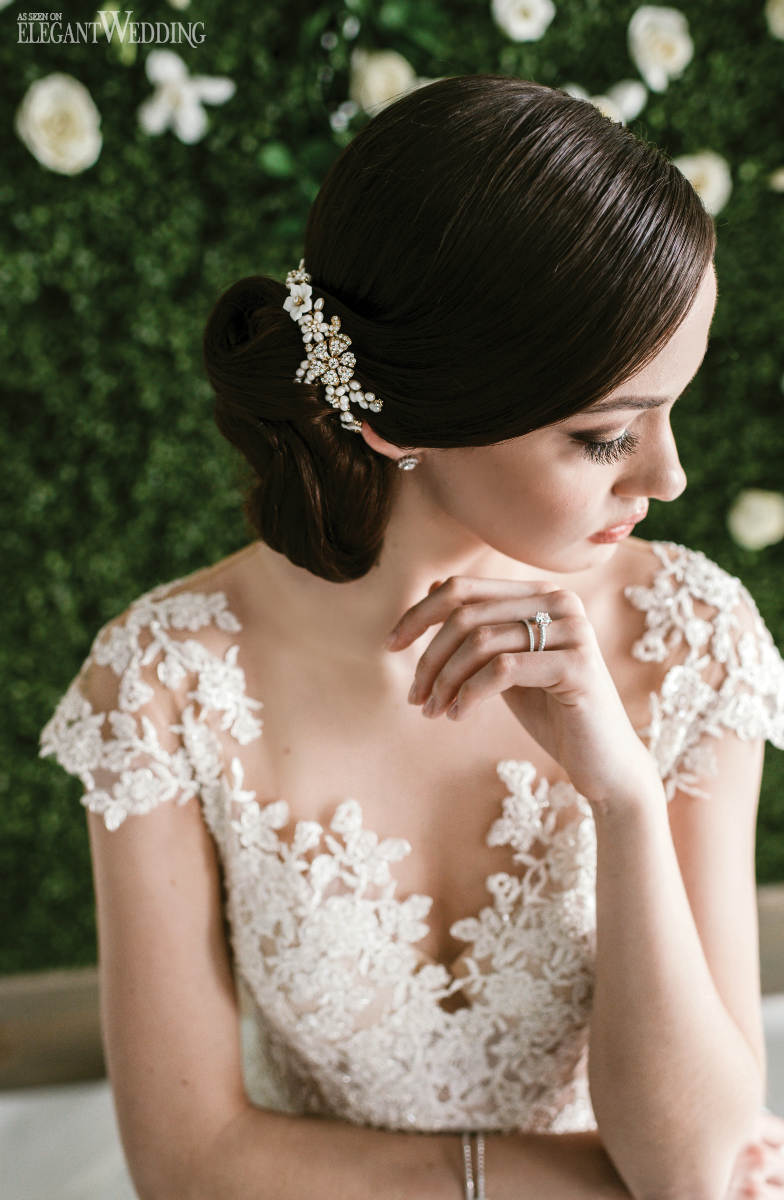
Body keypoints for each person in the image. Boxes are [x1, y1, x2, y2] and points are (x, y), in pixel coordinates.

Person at [39, 75, 784, 1199]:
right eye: (604, 434)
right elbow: (190, 1167)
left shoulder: (694, 641)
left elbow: (694, 1164)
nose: (668, 476)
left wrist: (623, 797)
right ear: (398, 416)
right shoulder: (161, 685)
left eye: (670, 408)